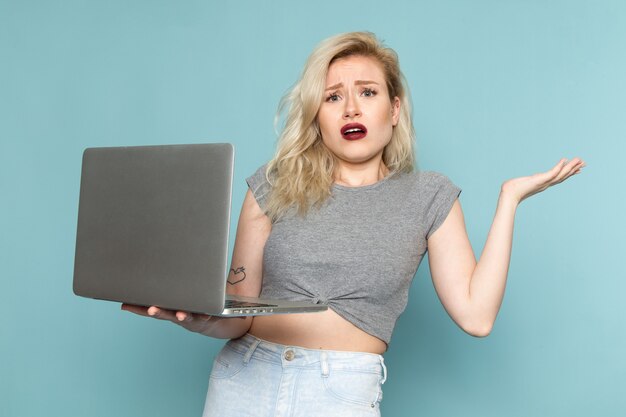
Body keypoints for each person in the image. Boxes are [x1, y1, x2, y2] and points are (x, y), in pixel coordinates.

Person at [122, 32, 585, 416]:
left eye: (367, 92)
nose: (351, 108)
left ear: (395, 109)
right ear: (317, 116)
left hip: (340, 390)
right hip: (243, 378)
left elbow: (477, 316)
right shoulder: (273, 183)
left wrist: (509, 200)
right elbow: (240, 313)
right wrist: (200, 322)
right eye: (332, 96)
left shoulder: (429, 195)